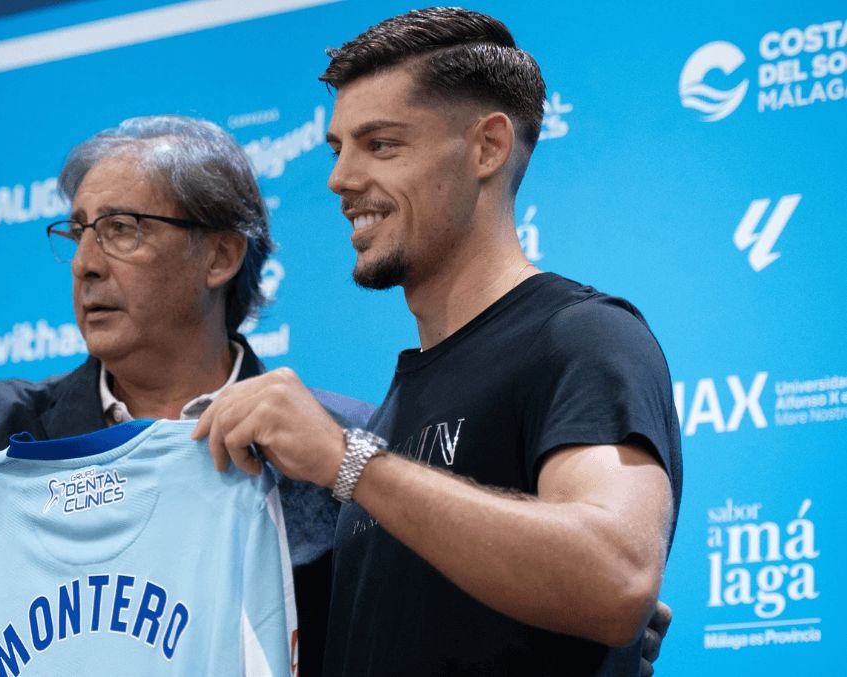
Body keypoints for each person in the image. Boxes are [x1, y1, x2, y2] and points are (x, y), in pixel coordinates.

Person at [0, 116, 371, 677]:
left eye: (120, 230)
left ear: (220, 254)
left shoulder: (332, 446)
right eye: (78, 232)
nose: (84, 264)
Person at [193, 7, 682, 676]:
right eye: (338, 148)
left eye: (382, 144)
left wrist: (348, 462)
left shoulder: (582, 336)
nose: (338, 180)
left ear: (486, 146)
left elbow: (616, 578)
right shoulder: (400, 400)